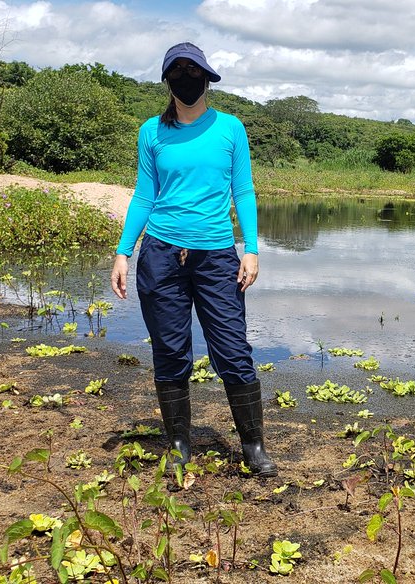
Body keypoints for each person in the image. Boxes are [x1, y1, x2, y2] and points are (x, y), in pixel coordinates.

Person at [110, 42, 276, 477]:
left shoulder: (230, 129)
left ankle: (253, 446)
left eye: (192, 69)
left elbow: (244, 192)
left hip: (218, 255)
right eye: (177, 70)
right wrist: (124, 251)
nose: (186, 77)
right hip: (161, 254)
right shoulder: (151, 132)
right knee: (169, 349)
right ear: (167, 80)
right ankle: (180, 443)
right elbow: (145, 194)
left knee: (233, 349)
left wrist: (252, 249)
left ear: (207, 76)